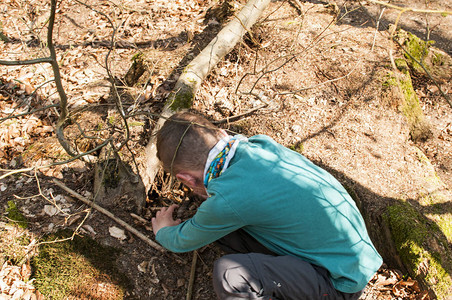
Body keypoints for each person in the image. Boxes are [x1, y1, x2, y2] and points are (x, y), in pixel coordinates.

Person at [152, 112, 382, 300]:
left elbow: (181, 241)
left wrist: (163, 231)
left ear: (186, 180)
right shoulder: (258, 145)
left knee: (230, 276)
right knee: (223, 231)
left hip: (339, 283)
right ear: (220, 134)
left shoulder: (228, 200)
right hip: (350, 259)